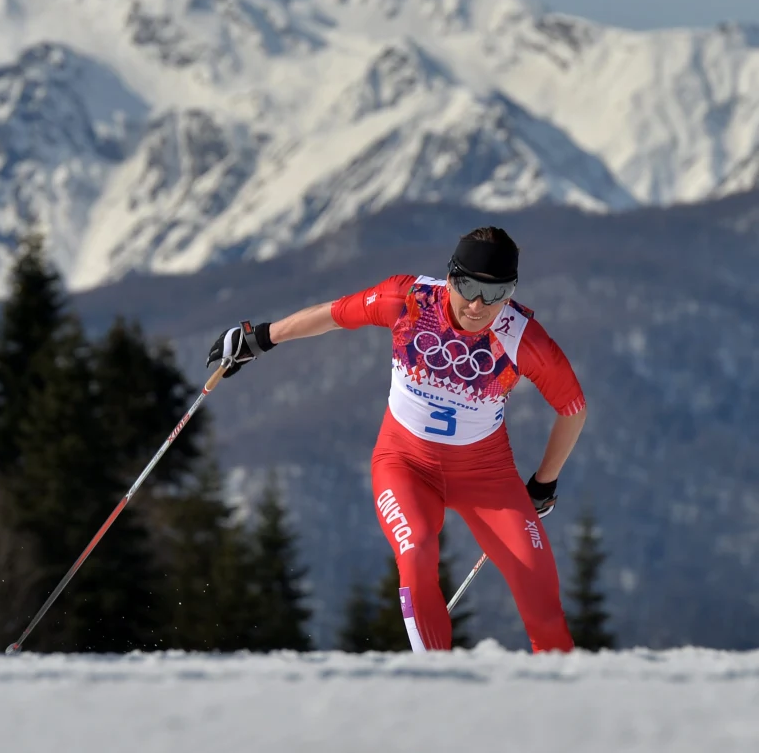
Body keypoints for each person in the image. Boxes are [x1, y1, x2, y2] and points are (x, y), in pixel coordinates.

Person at [206, 226, 587, 653]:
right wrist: (259, 338)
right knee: (418, 550)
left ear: (511, 292)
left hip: (487, 478)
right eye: (467, 287)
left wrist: (544, 482)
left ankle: (561, 710)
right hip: (404, 464)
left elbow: (573, 408)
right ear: (450, 278)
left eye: (495, 293)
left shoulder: (521, 337)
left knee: (543, 603)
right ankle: (434, 688)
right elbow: (334, 314)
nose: (478, 305)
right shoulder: (408, 301)